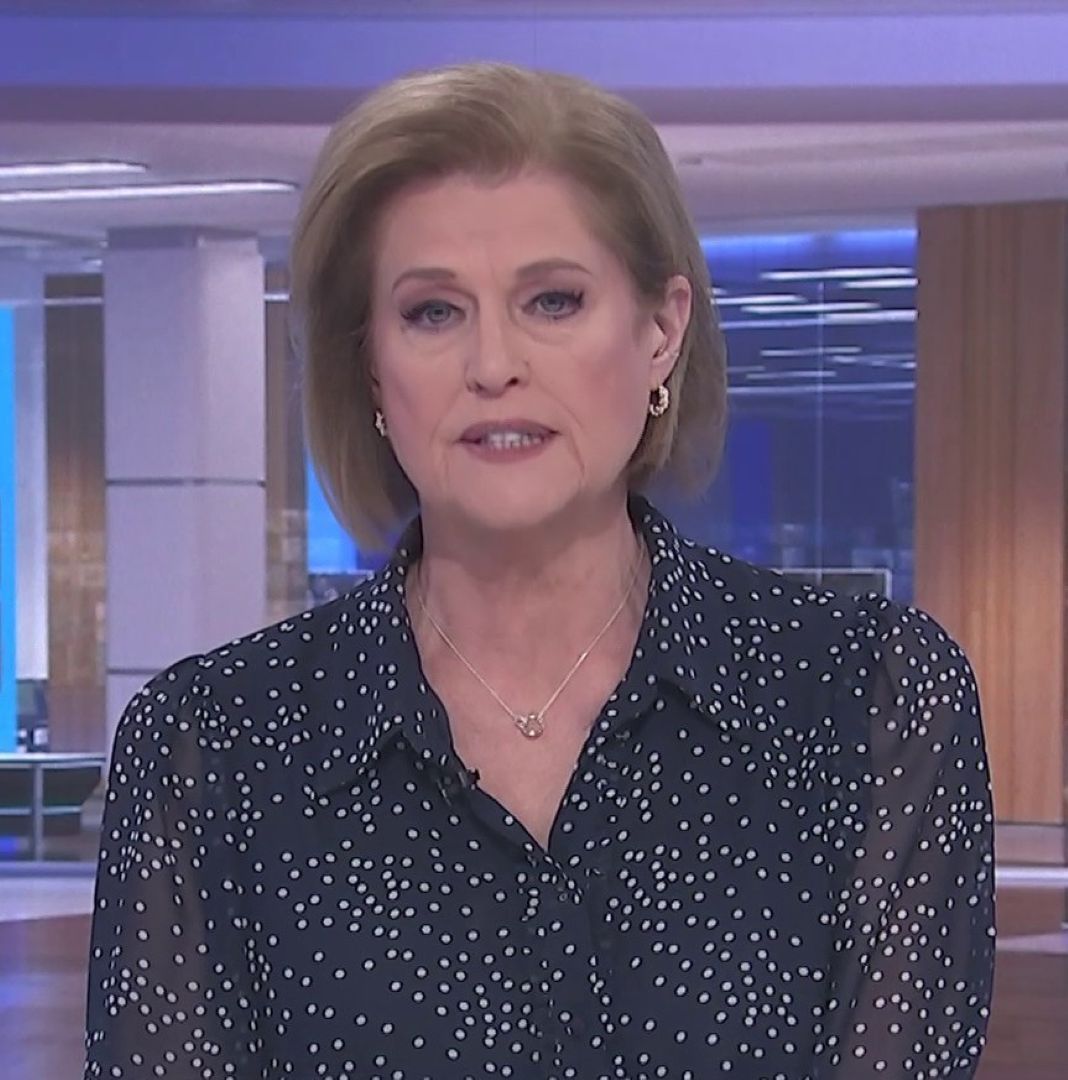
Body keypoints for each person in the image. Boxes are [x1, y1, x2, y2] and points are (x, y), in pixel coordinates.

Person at [84, 62, 995, 1079]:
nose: (493, 365)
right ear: (372, 365)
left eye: (553, 301)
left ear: (662, 331)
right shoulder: (212, 745)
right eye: (434, 312)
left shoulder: (870, 699)